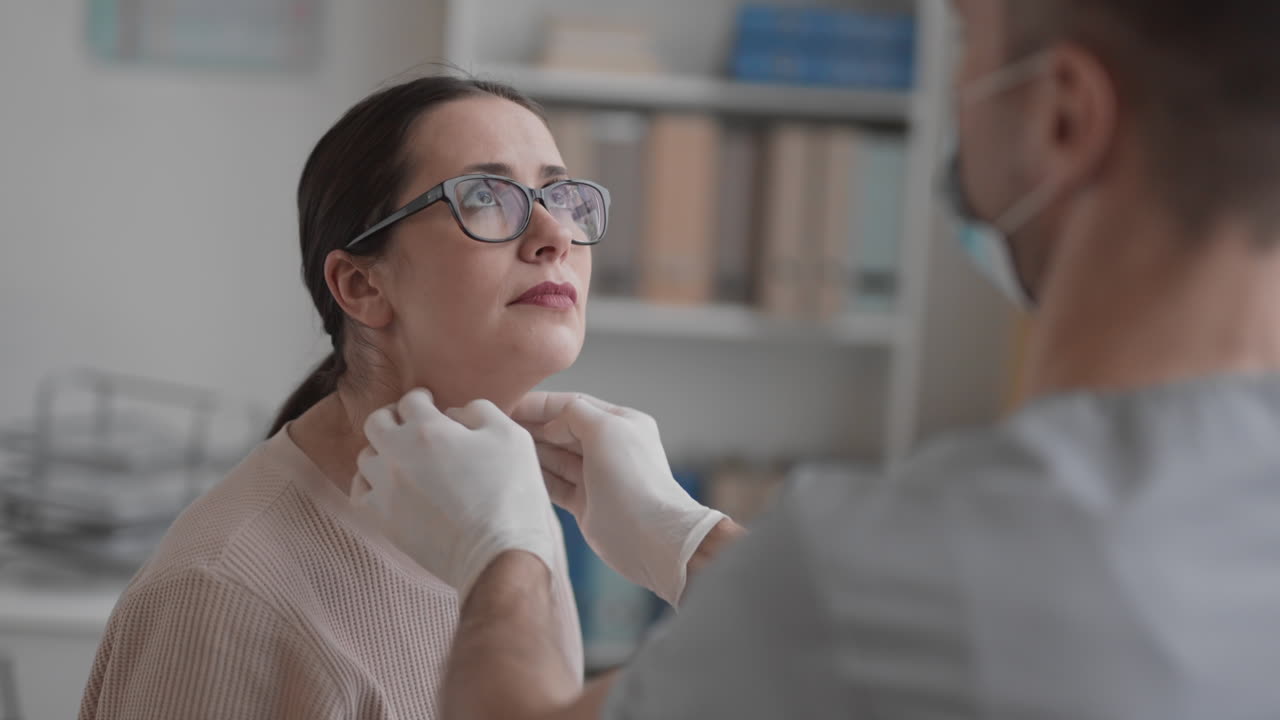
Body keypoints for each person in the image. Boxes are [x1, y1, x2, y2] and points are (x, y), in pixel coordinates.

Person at [354, 0, 1280, 717]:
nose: (554, 236)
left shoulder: (890, 565)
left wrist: (499, 552)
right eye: (488, 198)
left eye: (964, 41)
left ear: (1064, 118)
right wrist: (690, 540)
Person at [78, 75, 623, 719]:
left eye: (559, 195)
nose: (554, 234)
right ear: (361, 285)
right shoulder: (220, 592)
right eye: (485, 196)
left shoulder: (517, 523)